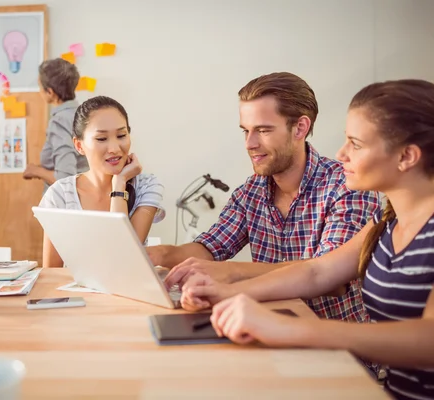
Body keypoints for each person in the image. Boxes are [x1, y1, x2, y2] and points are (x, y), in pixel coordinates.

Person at [181, 79, 434, 400]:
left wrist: (288, 328)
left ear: (407, 156)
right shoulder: (386, 221)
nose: (342, 153)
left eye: (356, 144)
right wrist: (227, 293)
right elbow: (317, 271)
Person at [153, 72, 380, 323]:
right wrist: (161, 254)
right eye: (246, 131)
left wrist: (231, 273)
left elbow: (331, 279)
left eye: (262, 130)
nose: (249, 143)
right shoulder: (251, 192)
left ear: (300, 128)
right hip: (270, 333)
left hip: (337, 350)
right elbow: (211, 247)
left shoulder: (346, 186)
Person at [38, 96, 166, 268]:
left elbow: (124, 256)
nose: (114, 149)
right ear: (79, 145)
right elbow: (52, 274)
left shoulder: (146, 186)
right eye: (101, 139)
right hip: (77, 295)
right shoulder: (59, 195)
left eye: (121, 135)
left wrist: (119, 183)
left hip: (129, 293)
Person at [23, 58, 88, 189]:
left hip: (66, 204)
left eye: (40, 86)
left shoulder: (60, 122)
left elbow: (65, 179)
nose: (39, 91)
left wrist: (35, 171)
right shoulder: (85, 113)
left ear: (50, 92)